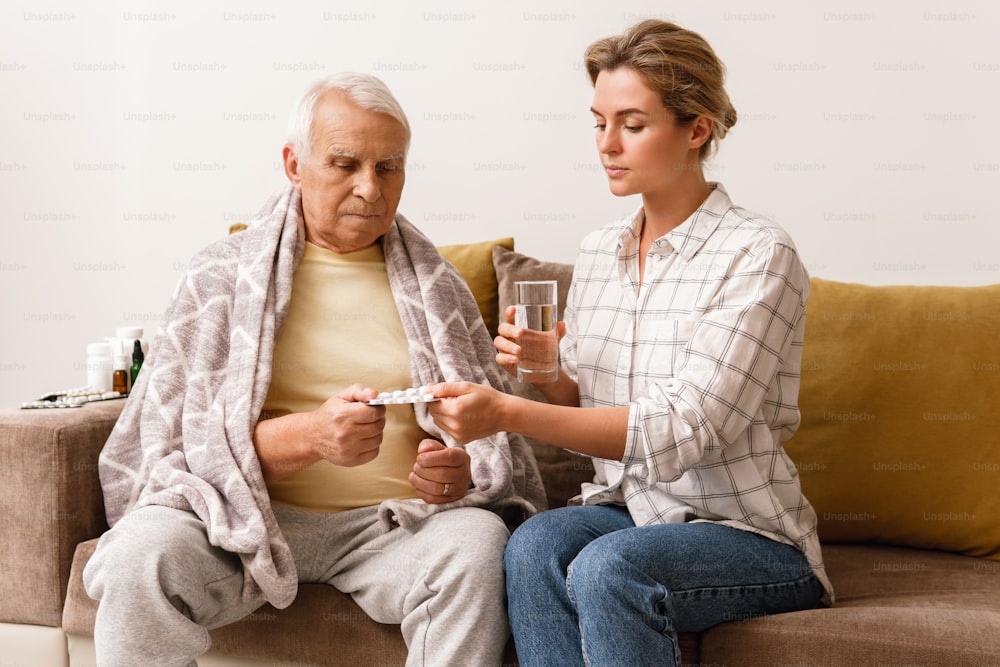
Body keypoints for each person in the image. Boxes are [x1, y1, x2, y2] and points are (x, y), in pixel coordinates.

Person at [84, 72, 545, 667]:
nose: (369, 189)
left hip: (392, 527)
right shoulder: (219, 279)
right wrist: (308, 437)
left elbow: (488, 445)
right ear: (293, 164)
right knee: (137, 556)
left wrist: (457, 474)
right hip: (235, 518)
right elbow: (172, 447)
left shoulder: (441, 290)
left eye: (388, 167)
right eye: (345, 163)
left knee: (477, 545)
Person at [427, 19, 834, 667]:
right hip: (629, 510)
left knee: (608, 566)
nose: (607, 144)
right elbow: (587, 399)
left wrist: (507, 411)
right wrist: (545, 370)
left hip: (743, 531)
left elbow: (683, 427)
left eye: (633, 124)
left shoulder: (758, 253)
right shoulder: (600, 250)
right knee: (533, 544)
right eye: (599, 122)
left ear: (696, 128)